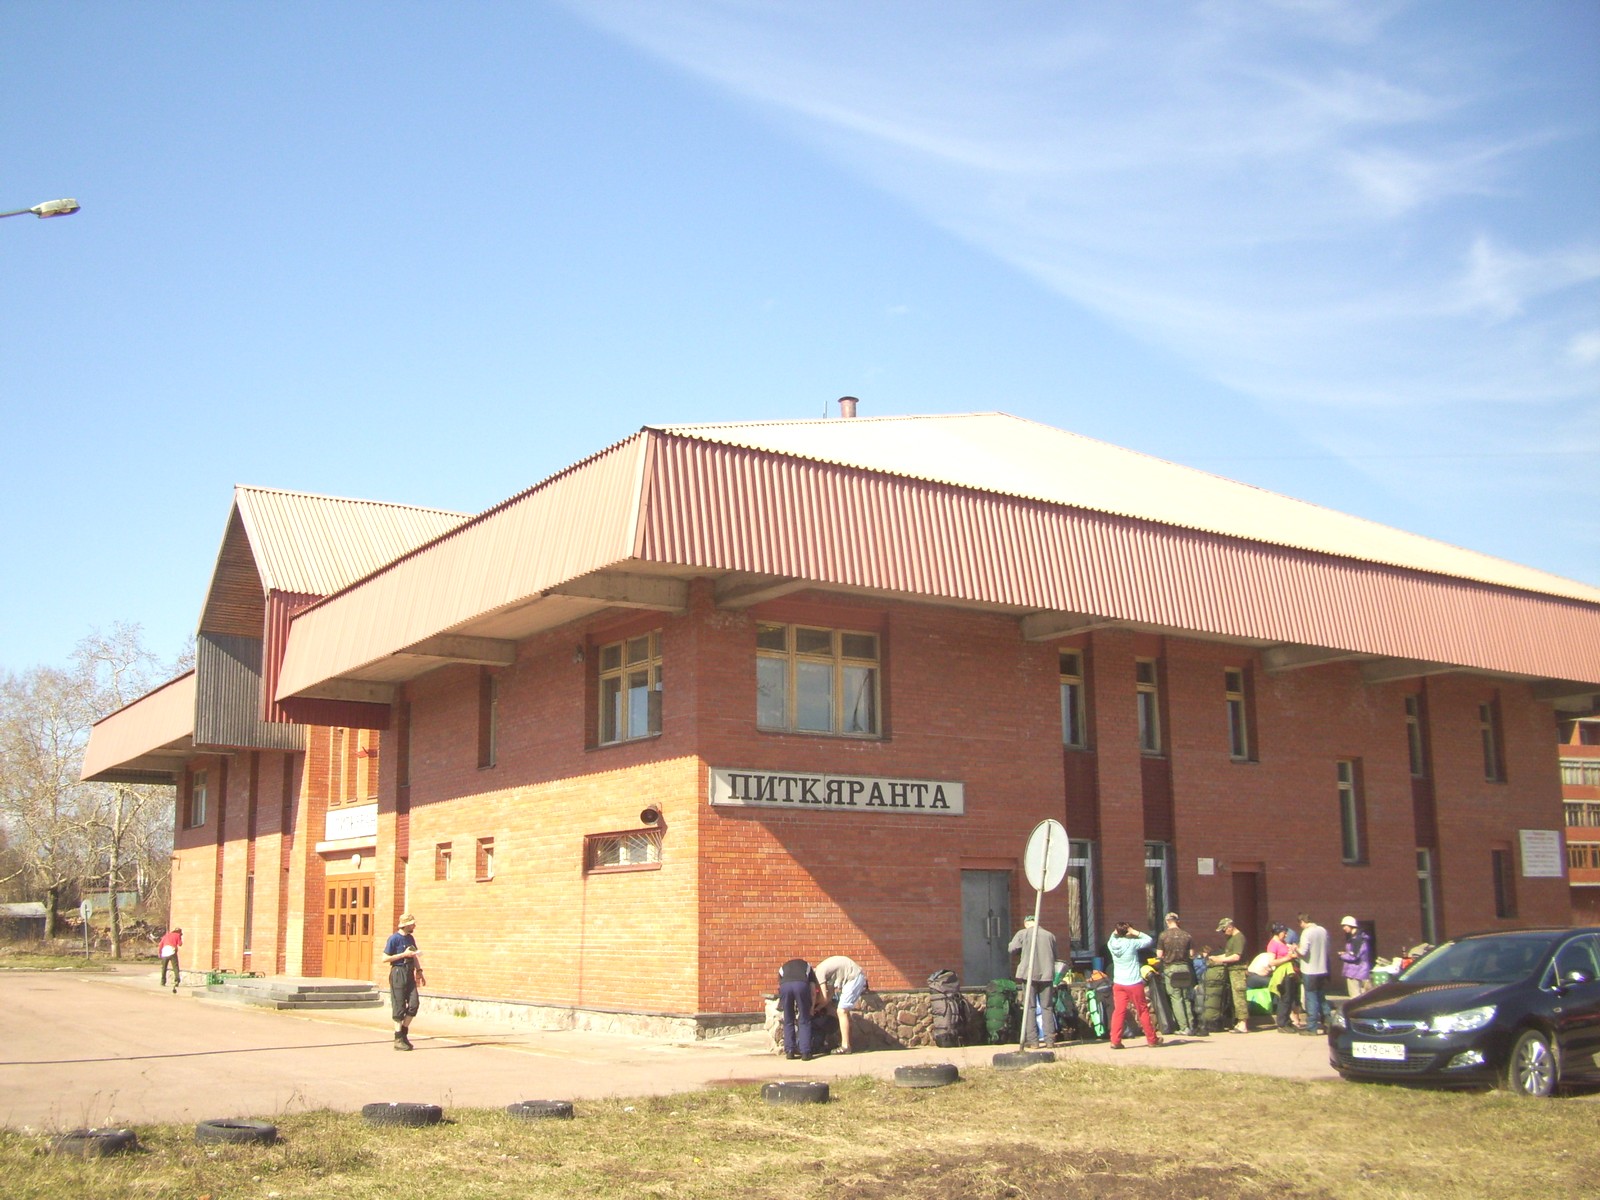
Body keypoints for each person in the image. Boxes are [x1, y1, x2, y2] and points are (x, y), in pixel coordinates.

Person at [1105, 920, 1161, 1049]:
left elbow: (1113, 935)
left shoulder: (1111, 943)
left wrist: (1118, 931)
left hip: (1118, 982)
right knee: (1142, 1011)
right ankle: (1152, 1039)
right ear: (1128, 932)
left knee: (1119, 1011)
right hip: (1133, 982)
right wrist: (1134, 931)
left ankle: (1115, 1041)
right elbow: (1149, 940)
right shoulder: (1132, 943)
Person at [1007, 915, 1060, 1047]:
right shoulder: (1049, 935)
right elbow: (1055, 956)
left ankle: (1033, 1041)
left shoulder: (1022, 933)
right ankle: (1050, 1040)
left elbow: (1011, 949)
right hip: (1047, 975)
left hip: (1029, 974)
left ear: (1026, 923)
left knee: (1030, 1007)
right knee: (1047, 1007)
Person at [381, 913, 424, 1051]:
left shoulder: (410, 938)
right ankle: (398, 1038)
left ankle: (404, 1033)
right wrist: (403, 955)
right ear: (406, 925)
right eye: (412, 924)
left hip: (409, 972)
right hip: (398, 972)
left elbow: (414, 955)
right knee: (399, 1006)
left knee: (414, 1004)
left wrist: (419, 971)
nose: (414, 926)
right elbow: (384, 958)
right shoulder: (394, 939)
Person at [1156, 913, 1201, 1036]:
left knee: (1176, 998)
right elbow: (1191, 954)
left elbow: (1159, 954)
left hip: (1171, 968)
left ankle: (1183, 1027)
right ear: (1178, 921)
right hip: (1185, 968)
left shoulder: (1163, 935)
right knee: (1186, 997)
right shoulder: (1187, 935)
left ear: (1167, 921)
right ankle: (1191, 1025)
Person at [815, 954, 867, 1054]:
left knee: (841, 1011)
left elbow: (824, 997)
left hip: (854, 977)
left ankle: (845, 1046)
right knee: (844, 1013)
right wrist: (818, 1008)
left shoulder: (818, 973)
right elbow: (830, 994)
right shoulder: (825, 973)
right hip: (854, 976)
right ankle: (848, 1043)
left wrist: (813, 1005)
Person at [1208, 918, 1250, 1032]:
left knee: (1239, 997)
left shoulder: (1239, 938)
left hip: (1238, 971)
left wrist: (1219, 960)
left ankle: (1243, 1023)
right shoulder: (1231, 939)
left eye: (1224, 930)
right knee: (1234, 998)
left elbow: (1236, 956)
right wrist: (1215, 958)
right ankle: (1238, 1022)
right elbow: (1227, 955)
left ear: (1230, 927)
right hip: (1232, 971)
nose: (1223, 933)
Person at [776, 957, 818, 1061]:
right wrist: (812, 1007)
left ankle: (790, 1051)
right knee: (804, 1019)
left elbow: (779, 986)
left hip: (785, 986)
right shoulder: (808, 967)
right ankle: (805, 1052)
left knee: (788, 1019)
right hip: (801, 985)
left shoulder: (783, 967)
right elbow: (813, 990)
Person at [1296, 912, 1330, 1035]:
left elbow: (1303, 952)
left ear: (1302, 922)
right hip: (1322, 969)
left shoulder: (1306, 932)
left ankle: (1312, 1027)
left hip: (1309, 970)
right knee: (1321, 997)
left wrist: (1295, 948)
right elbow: (1327, 947)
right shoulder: (1323, 930)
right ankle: (1328, 1023)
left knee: (1311, 998)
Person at [1265, 923, 1300, 1032]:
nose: (1286, 935)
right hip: (1282, 974)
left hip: (1289, 973)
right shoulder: (1273, 944)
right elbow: (1271, 962)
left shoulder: (1283, 942)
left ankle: (1288, 1022)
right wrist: (1287, 958)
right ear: (1277, 932)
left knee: (1290, 998)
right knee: (1285, 998)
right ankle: (1282, 1024)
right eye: (1284, 933)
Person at [1338, 916, 1373, 996]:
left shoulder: (1357, 939)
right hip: (1359, 970)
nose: (1343, 928)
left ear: (1351, 925)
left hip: (1354, 972)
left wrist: (1342, 956)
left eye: (1345, 926)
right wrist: (1346, 953)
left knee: (1355, 996)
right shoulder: (1359, 938)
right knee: (1361, 995)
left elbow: (1354, 956)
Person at [156, 927, 183, 992]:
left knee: (164, 968)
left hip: (165, 952)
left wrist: (159, 953)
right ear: (179, 932)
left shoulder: (166, 936)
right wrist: (180, 938)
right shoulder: (178, 935)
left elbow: (160, 945)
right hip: (172, 951)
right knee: (175, 967)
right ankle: (176, 981)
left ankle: (163, 981)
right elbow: (180, 944)